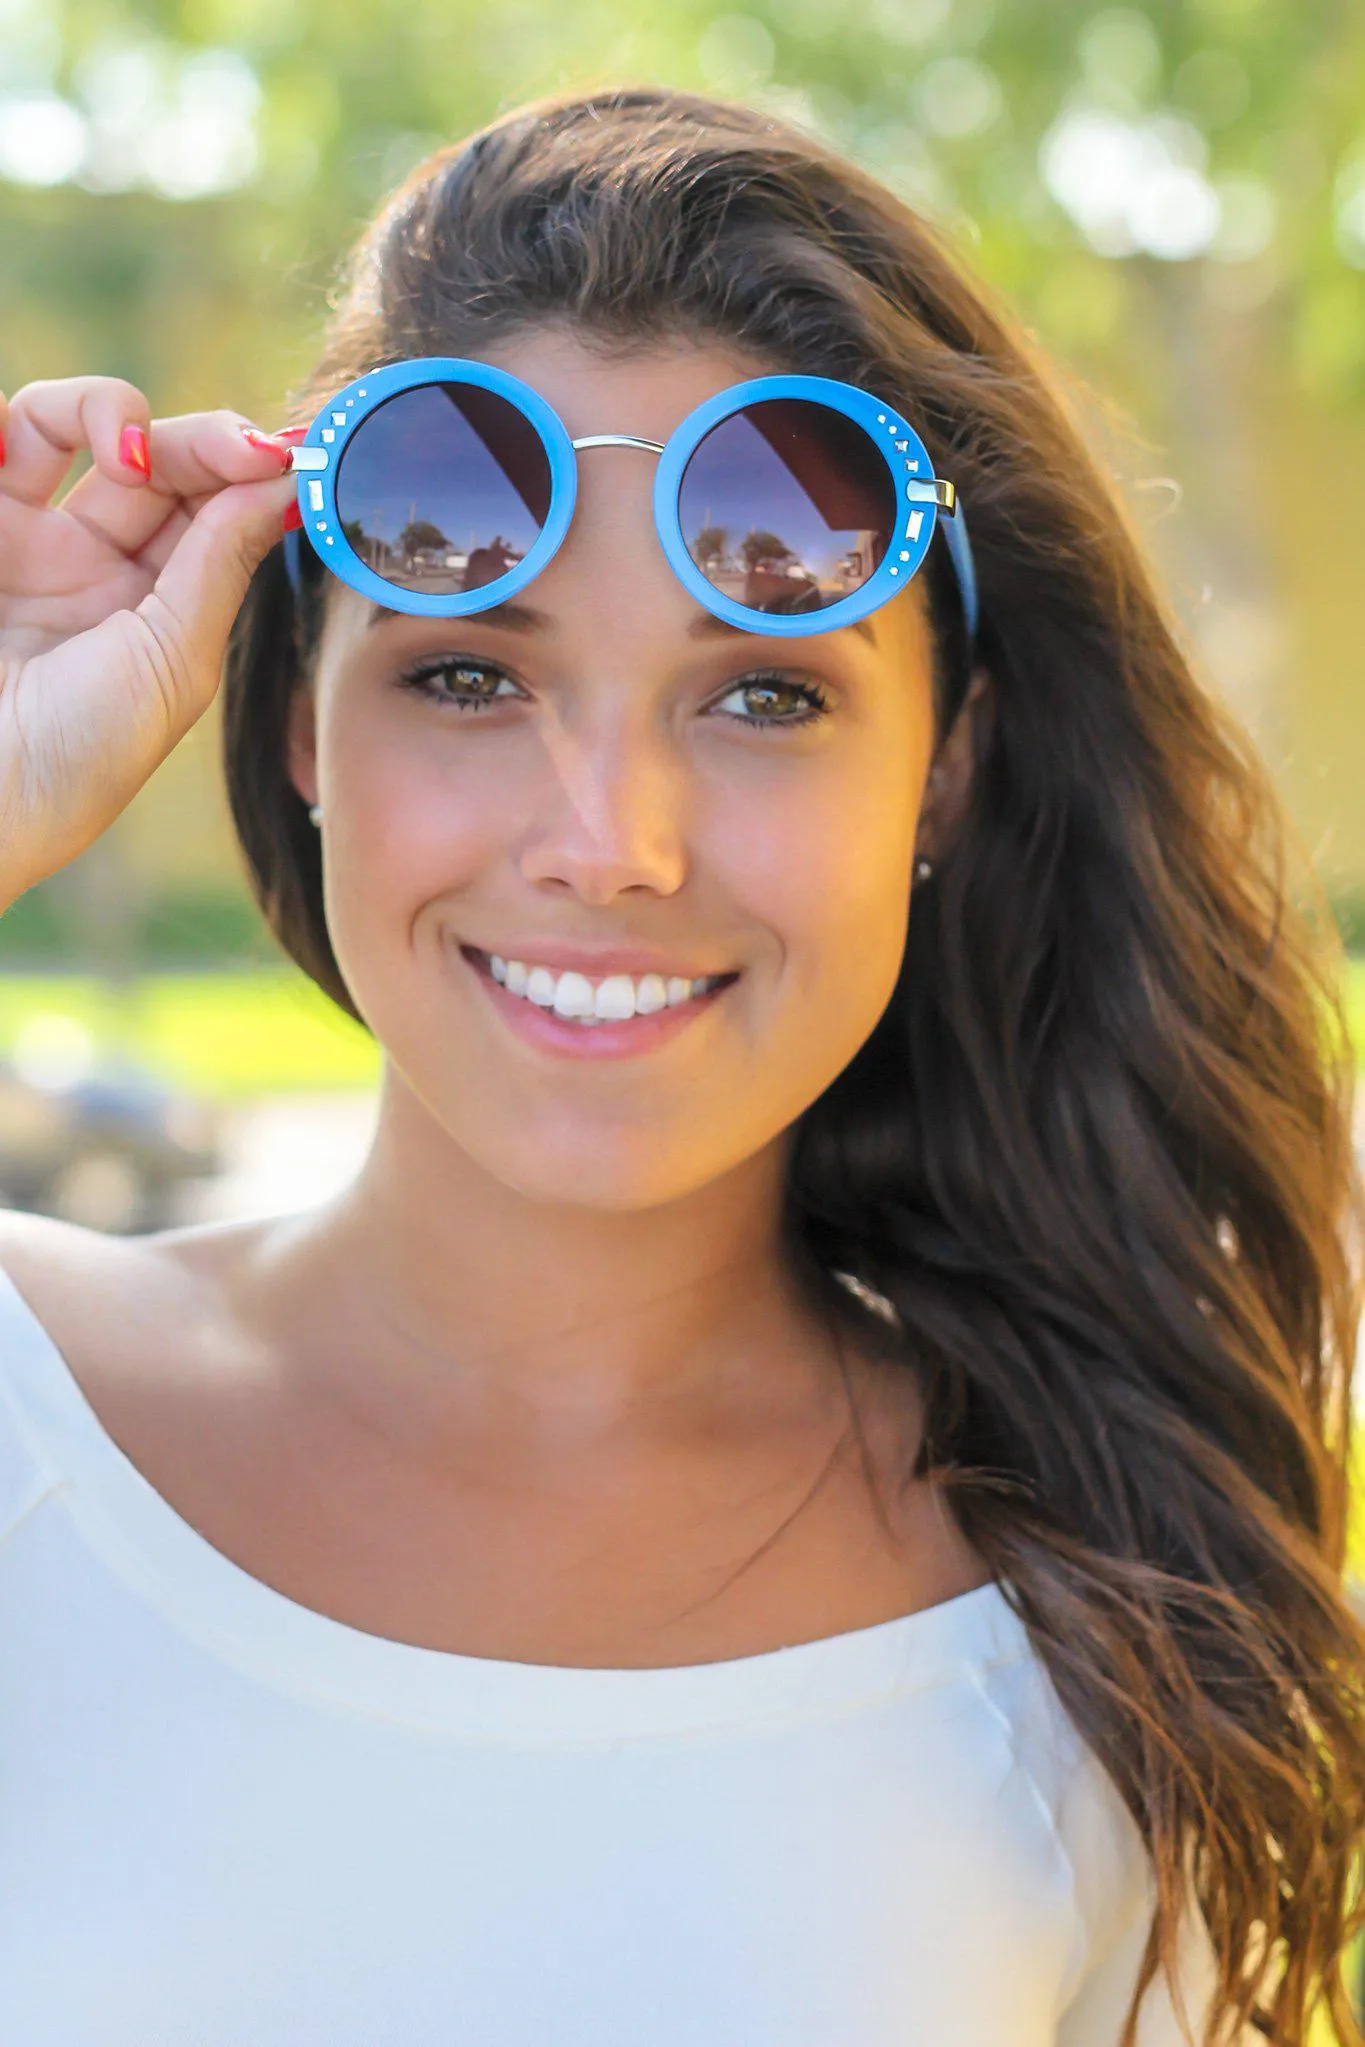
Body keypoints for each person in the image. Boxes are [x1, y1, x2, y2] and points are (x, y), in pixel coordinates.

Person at [0, 83, 1360, 2047]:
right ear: (297, 720)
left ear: (946, 765)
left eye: (763, 696)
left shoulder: (1101, 1616)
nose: (608, 836)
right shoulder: (28, 1429)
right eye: (469, 675)